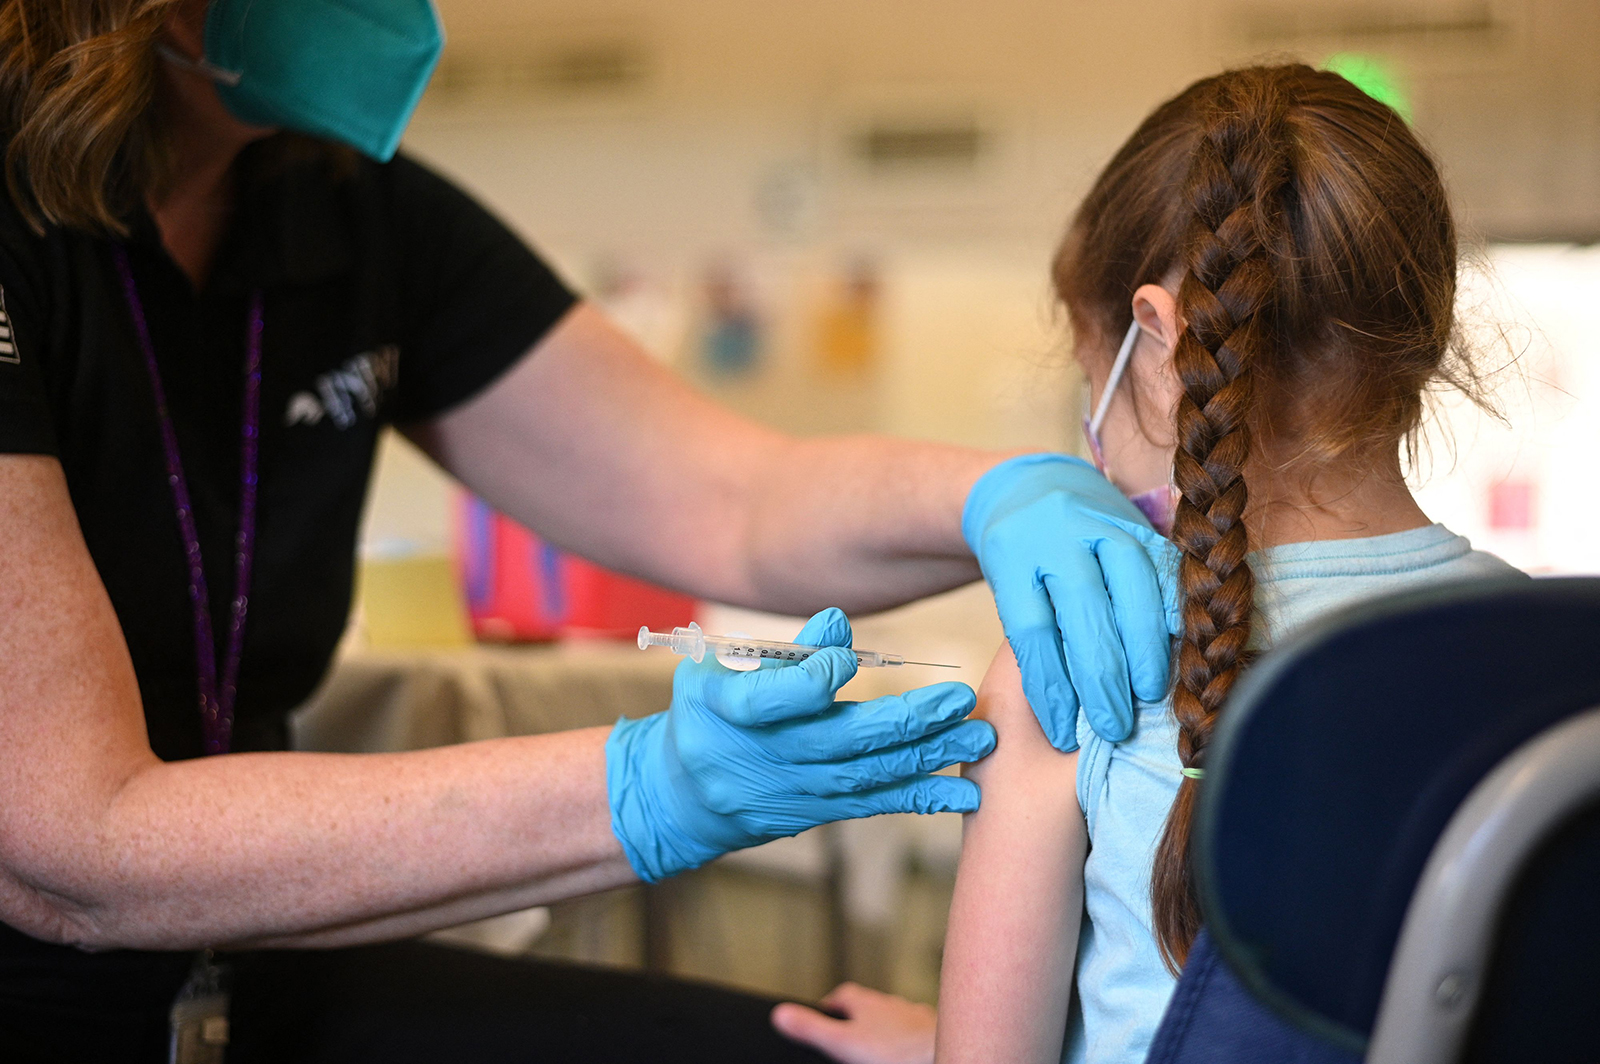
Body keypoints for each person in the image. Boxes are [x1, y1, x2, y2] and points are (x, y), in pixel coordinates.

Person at [0, 1, 1172, 1060]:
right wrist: (653, 783)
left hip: (250, 958)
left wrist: (998, 493)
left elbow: (733, 495)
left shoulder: (351, 212)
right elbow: (76, 846)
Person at [772, 63, 1523, 1064]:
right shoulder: (1546, 654)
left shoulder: (1075, 668)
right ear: (1425, 334)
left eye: (1092, 366)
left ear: (1162, 339)